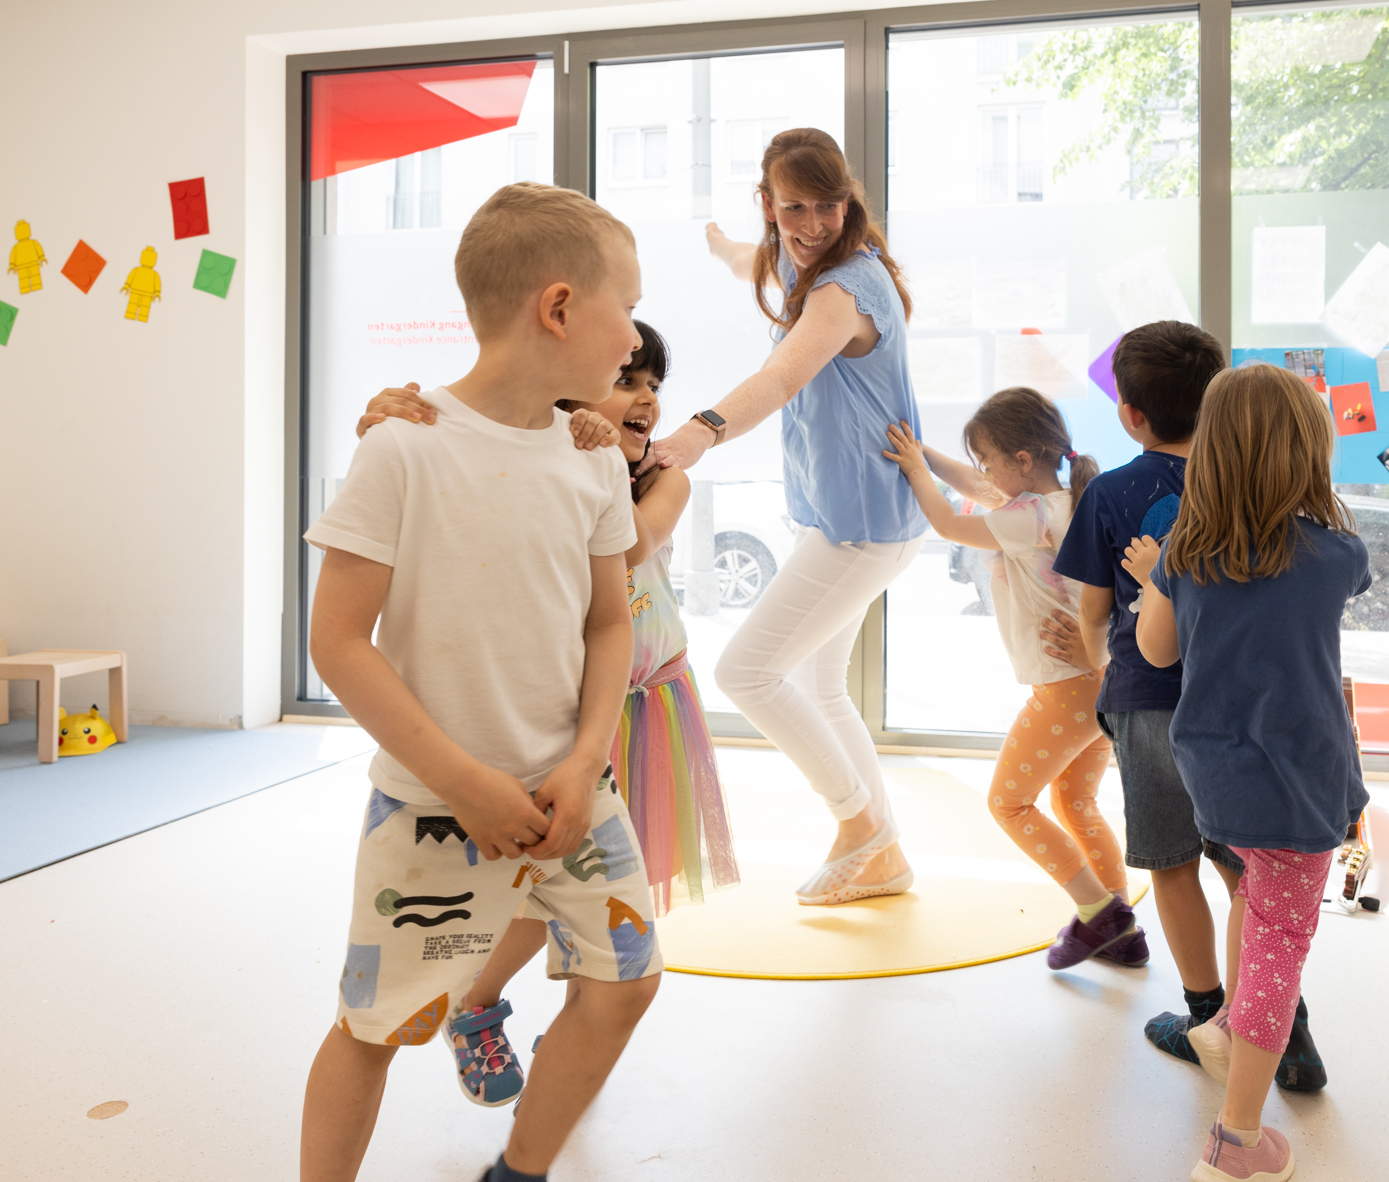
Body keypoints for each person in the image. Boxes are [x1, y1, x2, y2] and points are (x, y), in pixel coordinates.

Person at [299, 182, 661, 1182]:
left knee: (625, 979)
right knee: (375, 1025)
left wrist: (587, 760)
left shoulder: (591, 455)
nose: (632, 335)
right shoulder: (402, 444)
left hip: (572, 791)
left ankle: (520, 1170)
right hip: (430, 808)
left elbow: (606, 619)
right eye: (624, 304)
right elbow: (337, 642)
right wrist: (463, 782)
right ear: (556, 307)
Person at [356, 322, 740, 1109]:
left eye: (654, 385)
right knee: (531, 898)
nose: (646, 398)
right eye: (628, 378)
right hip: (560, 716)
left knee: (596, 915)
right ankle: (475, 1009)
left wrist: (595, 450)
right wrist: (568, 444)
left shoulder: (660, 476)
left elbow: (633, 547)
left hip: (646, 708)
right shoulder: (564, 456)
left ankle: (575, 1037)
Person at [1044, 322, 1329, 1094]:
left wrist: (1108, 660)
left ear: (1130, 415)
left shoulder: (1109, 493)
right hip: (1244, 707)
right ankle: (1280, 1023)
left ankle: (1206, 1017)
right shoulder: (1253, 483)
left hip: (1150, 701)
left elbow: (1093, 613)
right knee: (1253, 874)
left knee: (1171, 863)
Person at [643, 128, 923, 905]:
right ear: (767, 204)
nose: (810, 224)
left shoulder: (844, 289)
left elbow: (782, 375)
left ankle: (859, 824)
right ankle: (885, 856)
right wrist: (718, 242)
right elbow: (749, 259)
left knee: (747, 670)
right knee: (822, 684)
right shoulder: (791, 257)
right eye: (792, 207)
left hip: (863, 525)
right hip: (858, 521)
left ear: (848, 203)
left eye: (827, 207)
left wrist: (699, 429)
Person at [1127, 362, 1371, 1182]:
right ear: (1309, 452)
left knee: (1252, 896)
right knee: (1278, 939)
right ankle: (1238, 1143)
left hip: (1216, 779)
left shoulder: (1186, 552)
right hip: (1300, 782)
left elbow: (1158, 650)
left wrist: (1154, 575)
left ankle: (1233, 1026)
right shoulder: (1336, 554)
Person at [881, 387, 1146, 967]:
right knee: (1076, 802)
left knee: (1009, 803)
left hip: (1067, 686)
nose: (984, 474)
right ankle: (1122, 929)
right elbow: (980, 489)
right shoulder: (1071, 497)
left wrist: (912, 469)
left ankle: (1097, 913)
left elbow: (952, 520)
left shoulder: (1030, 516)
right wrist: (925, 453)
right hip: (1098, 681)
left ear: (1022, 461)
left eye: (989, 460)